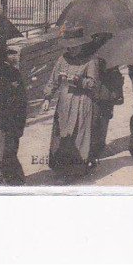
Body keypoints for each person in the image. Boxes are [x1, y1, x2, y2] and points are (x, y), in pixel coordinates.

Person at [43, 26, 113, 183]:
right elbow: (53, 79)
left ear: (81, 44)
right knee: (61, 134)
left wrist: (78, 81)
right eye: (69, 46)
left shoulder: (91, 60)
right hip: (64, 103)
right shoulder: (63, 59)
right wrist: (47, 97)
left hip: (82, 103)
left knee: (78, 134)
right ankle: (60, 167)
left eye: (75, 46)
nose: (72, 49)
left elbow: (94, 84)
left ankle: (77, 169)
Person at [0, 40, 28, 185]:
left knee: (4, 158)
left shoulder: (9, 74)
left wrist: (18, 126)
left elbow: (19, 103)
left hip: (4, 126)